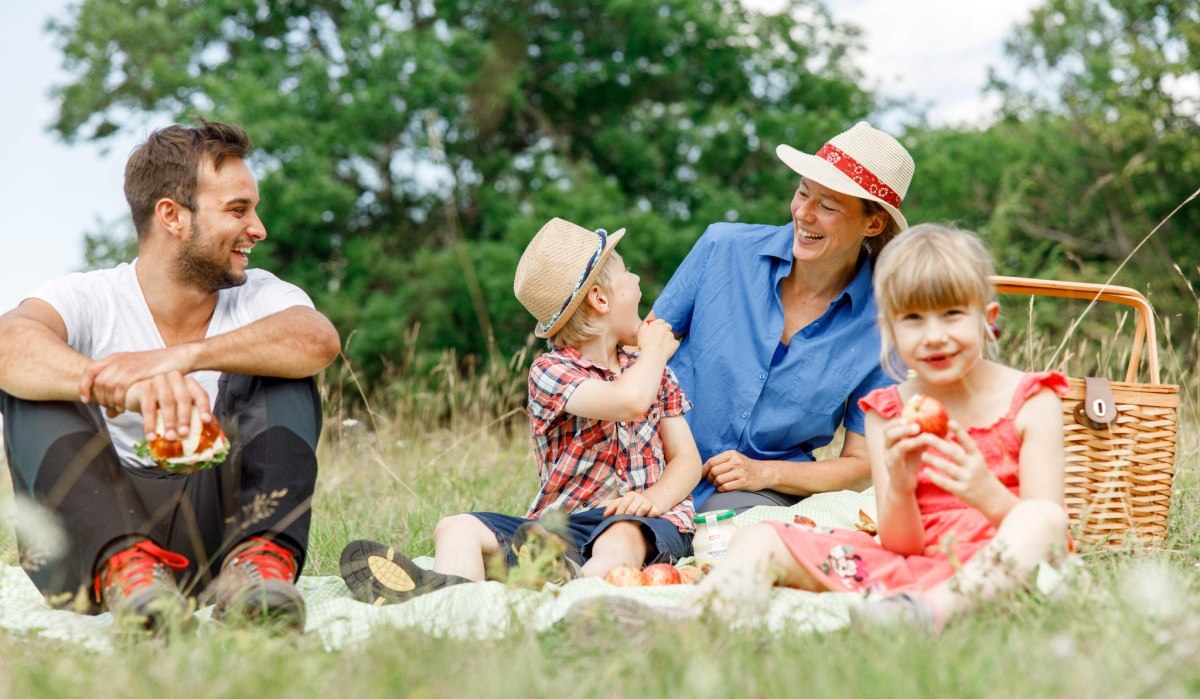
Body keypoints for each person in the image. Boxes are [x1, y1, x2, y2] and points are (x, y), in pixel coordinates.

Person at [571, 224, 1071, 630]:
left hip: (999, 559)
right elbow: (900, 543)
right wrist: (895, 480)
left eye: (953, 315)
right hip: (913, 562)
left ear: (988, 319)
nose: (934, 336)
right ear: (891, 330)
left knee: (1042, 519)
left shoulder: (1031, 399)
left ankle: (930, 614)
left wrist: (984, 493)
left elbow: (1050, 533)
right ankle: (699, 620)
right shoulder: (890, 410)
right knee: (761, 538)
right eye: (913, 319)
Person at [0, 118, 341, 633]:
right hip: (91, 543)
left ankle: (256, 568)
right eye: (237, 210)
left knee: (284, 369)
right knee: (33, 383)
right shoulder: (87, 296)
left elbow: (317, 340)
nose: (258, 229)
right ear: (172, 216)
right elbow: (8, 343)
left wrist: (178, 359)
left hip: (221, 536)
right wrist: (119, 383)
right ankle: (131, 577)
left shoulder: (261, 293)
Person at [339, 217, 702, 603]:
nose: (639, 282)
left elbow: (686, 459)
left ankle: (572, 589)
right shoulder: (552, 371)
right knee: (456, 526)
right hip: (558, 527)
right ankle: (449, 598)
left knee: (621, 535)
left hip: (645, 520)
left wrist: (655, 501)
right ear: (600, 299)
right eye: (629, 274)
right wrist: (655, 352)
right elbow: (628, 403)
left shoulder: (652, 372)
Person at [651, 121, 915, 513]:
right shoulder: (722, 248)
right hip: (654, 467)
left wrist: (764, 473)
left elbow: (861, 466)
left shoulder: (887, 325)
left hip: (756, 496)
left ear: (873, 223)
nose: (804, 214)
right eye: (802, 193)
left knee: (731, 545)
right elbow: (642, 351)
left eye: (827, 207)